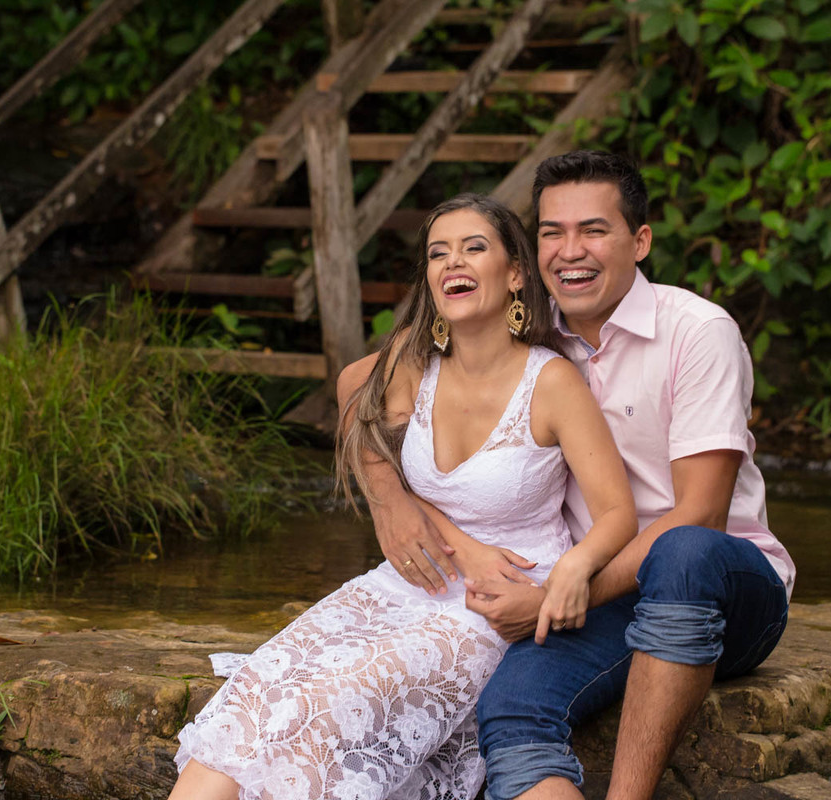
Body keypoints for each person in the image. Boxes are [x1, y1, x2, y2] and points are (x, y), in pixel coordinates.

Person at [342, 151, 795, 800]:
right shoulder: (520, 326)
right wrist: (391, 501)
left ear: (640, 241)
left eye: (594, 230)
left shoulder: (697, 332)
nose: (570, 251)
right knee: (511, 705)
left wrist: (559, 590)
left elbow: (701, 512)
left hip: (722, 585)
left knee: (683, 553)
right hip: (595, 592)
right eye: (552, 232)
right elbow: (355, 385)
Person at [166, 193, 637, 800]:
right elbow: (350, 391)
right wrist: (395, 504)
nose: (452, 263)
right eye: (438, 253)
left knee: (328, 705)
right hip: (406, 583)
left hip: (496, 599)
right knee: (255, 695)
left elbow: (617, 513)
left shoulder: (552, 381)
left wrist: (573, 570)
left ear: (517, 273)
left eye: (473, 248)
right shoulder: (417, 360)